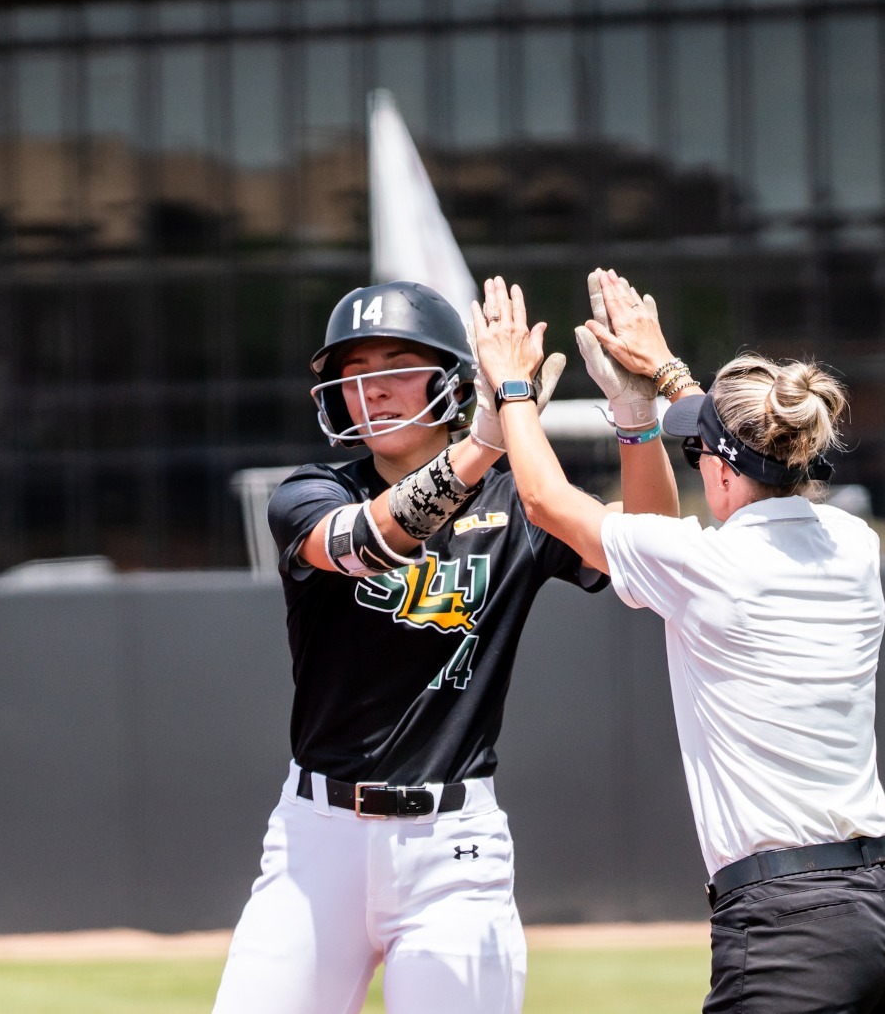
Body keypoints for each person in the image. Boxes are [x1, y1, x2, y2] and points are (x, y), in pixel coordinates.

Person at [468, 272, 885, 1014]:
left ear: (717, 470)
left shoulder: (710, 566)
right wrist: (659, 382)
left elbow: (544, 500)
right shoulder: (854, 543)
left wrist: (512, 388)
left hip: (789, 926)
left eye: (700, 456)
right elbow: (743, 445)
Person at [211, 279, 649, 1014]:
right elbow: (370, 542)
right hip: (316, 837)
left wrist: (636, 418)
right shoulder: (309, 491)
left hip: (455, 846)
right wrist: (484, 439)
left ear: (451, 379)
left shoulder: (521, 499)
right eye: (353, 376)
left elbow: (647, 552)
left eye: (391, 368)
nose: (369, 392)